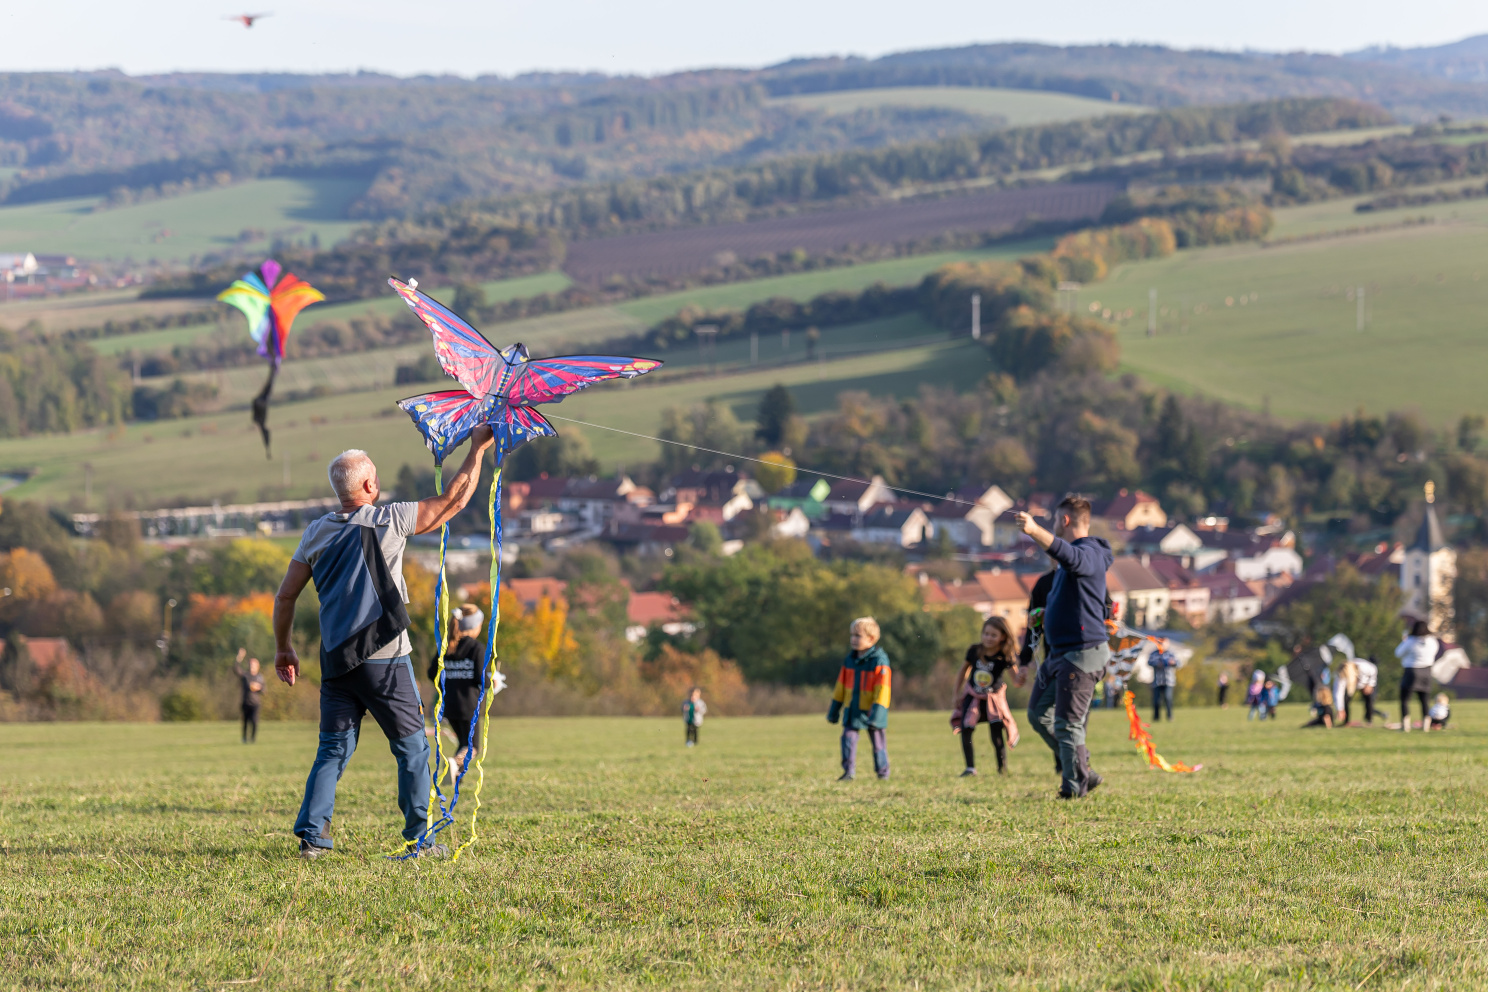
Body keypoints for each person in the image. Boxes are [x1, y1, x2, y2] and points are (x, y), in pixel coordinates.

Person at [273, 428, 495, 860]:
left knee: (333, 751)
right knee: (413, 747)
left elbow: (285, 596)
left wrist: (283, 648)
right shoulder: (387, 520)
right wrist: (477, 449)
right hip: (386, 660)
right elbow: (454, 501)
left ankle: (312, 839)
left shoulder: (315, 533)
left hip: (336, 663)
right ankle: (420, 839)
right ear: (369, 486)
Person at [1016, 495, 1114, 800]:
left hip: (1082, 654)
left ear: (1065, 520)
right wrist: (1048, 614)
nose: (1053, 525)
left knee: (1068, 724)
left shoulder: (1090, 553)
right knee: (1037, 715)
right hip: (1059, 654)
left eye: (1055, 520)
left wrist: (1033, 530)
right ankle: (1084, 771)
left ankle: (1073, 789)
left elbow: (1071, 556)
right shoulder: (1064, 568)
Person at [951, 616, 1021, 776]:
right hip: (973, 695)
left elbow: (1016, 680)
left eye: (993, 635)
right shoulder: (974, 651)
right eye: (986, 634)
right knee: (966, 728)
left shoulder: (1005, 656)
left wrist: (1022, 676)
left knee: (996, 733)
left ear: (1003, 636)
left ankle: (1001, 768)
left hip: (993, 699)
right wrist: (956, 693)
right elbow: (963, 671)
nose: (988, 638)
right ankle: (970, 768)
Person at [827, 617, 892, 781]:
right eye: (852, 635)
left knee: (878, 743)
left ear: (871, 639)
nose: (853, 639)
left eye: (858, 636)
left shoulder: (879, 660)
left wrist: (877, 713)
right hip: (853, 709)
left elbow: (883, 690)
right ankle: (848, 772)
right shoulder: (850, 660)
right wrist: (834, 710)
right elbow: (840, 686)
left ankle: (882, 772)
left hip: (873, 710)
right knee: (847, 739)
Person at [426, 604, 486, 776]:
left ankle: (456, 776)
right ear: (474, 626)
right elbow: (480, 678)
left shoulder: (447, 645)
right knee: (473, 747)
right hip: (468, 705)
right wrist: (493, 682)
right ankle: (453, 764)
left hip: (448, 704)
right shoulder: (476, 648)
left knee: (462, 743)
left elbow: (432, 673)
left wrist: (449, 680)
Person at [1394, 619, 1438, 733]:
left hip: (1412, 670)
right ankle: (1426, 726)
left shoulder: (1410, 641)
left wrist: (1404, 641)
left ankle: (1406, 725)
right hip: (1427, 671)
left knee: (1405, 699)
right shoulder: (1432, 641)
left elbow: (1398, 653)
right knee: (1424, 700)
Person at [232, 648, 265, 743]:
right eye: (250, 665)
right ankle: (244, 738)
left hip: (255, 703)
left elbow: (264, 690)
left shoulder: (260, 677)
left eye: (253, 665)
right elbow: (236, 669)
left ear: (257, 666)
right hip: (245, 701)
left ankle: (253, 739)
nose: (251, 667)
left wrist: (258, 688)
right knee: (245, 722)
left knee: (254, 721)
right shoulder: (245, 675)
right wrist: (239, 657)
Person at [1148, 639, 1179, 722]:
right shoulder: (1154, 653)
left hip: (1168, 681)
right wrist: (1158, 663)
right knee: (1156, 701)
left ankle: (1170, 716)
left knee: (1168, 698)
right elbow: (1149, 662)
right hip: (1157, 681)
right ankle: (1156, 718)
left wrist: (1172, 663)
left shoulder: (1171, 653)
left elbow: (1178, 663)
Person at [1334, 654, 1358, 727]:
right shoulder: (1346, 677)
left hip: (1346, 692)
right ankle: (1346, 721)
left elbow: (1338, 693)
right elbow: (1339, 693)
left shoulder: (1342, 677)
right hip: (1347, 692)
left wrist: (1340, 708)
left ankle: (1346, 721)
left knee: (1346, 703)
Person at [1355, 656, 1381, 724]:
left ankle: (1369, 719)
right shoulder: (1365, 666)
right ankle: (1369, 718)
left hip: (1368, 685)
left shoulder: (1371, 668)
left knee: (1369, 701)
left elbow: (1372, 680)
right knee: (1369, 702)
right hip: (1363, 684)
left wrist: (1368, 685)